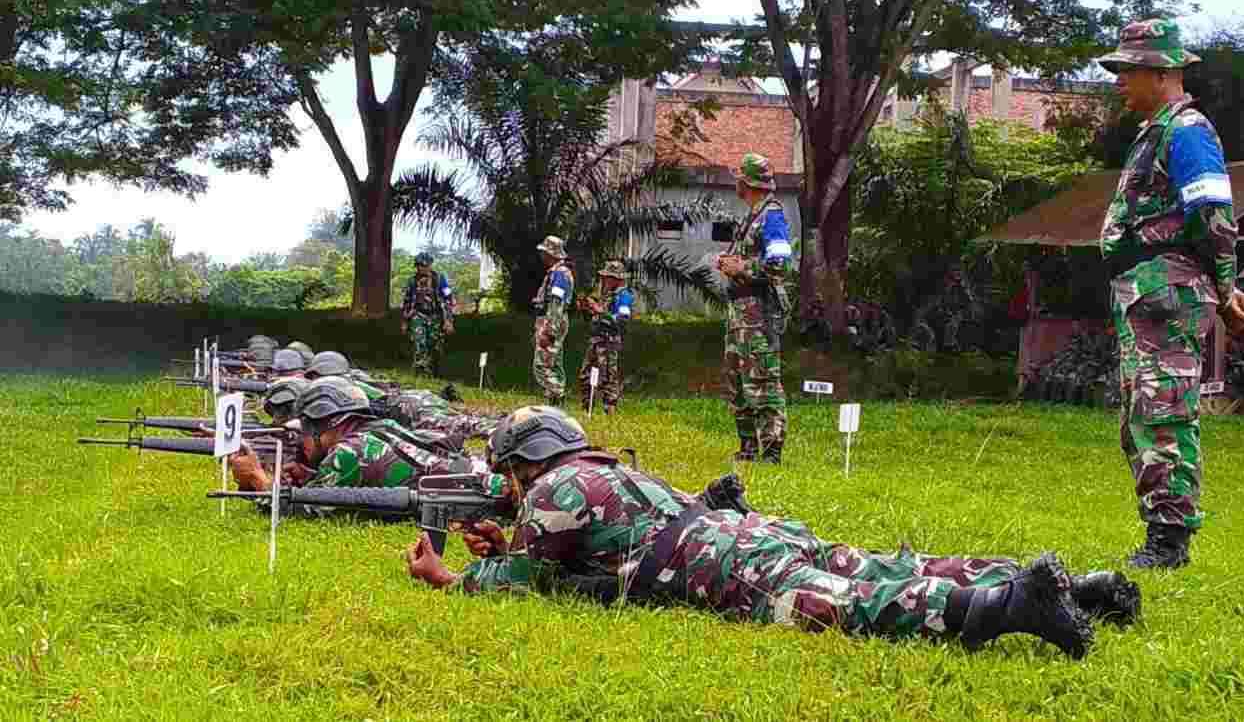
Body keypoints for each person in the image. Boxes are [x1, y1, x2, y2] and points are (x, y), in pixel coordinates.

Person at [405, 407, 1140, 658]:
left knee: (848, 604)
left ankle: (1009, 607)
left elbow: (529, 583)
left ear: (522, 464)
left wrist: (451, 577)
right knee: (882, 563)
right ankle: (1078, 585)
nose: (505, 490)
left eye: (505, 475)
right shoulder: (608, 474)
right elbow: (584, 564)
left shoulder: (551, 491)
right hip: (747, 531)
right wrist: (511, 548)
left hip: (725, 567)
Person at [1097, 18, 1244, 569]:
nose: (1118, 80)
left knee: (1161, 409)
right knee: (1143, 411)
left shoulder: (1187, 131)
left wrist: (1227, 284)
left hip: (1167, 291)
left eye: (1127, 70)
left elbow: (1212, 215)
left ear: (1163, 72)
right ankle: (1162, 533)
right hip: (1148, 293)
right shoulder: (1158, 129)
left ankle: (1169, 543)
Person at [229, 376, 504, 514]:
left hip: (490, 497)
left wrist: (257, 477)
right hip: (486, 480)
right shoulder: (377, 431)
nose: (302, 442)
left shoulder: (349, 453)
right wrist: (313, 477)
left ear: (322, 426)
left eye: (304, 431)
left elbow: (300, 509)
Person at [716, 153, 792, 463]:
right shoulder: (751, 217)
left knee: (762, 381)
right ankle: (748, 448)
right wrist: (729, 263)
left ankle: (771, 451)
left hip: (759, 314)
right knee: (737, 381)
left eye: (738, 178)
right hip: (741, 314)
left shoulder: (772, 216)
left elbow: (780, 264)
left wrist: (741, 267)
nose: (735, 182)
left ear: (746, 182)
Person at [576, 259, 634, 414]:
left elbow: (621, 321)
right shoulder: (605, 295)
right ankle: (586, 408)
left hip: (609, 342)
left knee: (609, 377)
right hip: (596, 339)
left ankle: (610, 411)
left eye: (607, 277)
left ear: (617, 279)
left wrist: (600, 311)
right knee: (586, 374)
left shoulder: (624, 297)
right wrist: (587, 309)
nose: (604, 280)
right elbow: (596, 316)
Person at [531, 235, 575, 406]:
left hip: (552, 320)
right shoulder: (558, 272)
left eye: (544, 252)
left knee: (542, 365)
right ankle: (554, 402)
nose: (542, 256)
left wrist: (549, 330)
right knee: (553, 363)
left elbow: (557, 303)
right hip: (552, 318)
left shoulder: (560, 273)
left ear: (551, 254)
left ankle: (557, 393)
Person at [401, 252, 456, 377]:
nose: (421, 268)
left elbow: (448, 299)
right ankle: (420, 372)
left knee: (434, 344)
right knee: (419, 342)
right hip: (418, 315)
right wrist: (404, 321)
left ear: (430, 265)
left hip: (436, 316)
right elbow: (407, 302)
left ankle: (433, 370)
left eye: (424, 265)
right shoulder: (412, 281)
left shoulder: (440, 279)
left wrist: (449, 321)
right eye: (419, 265)